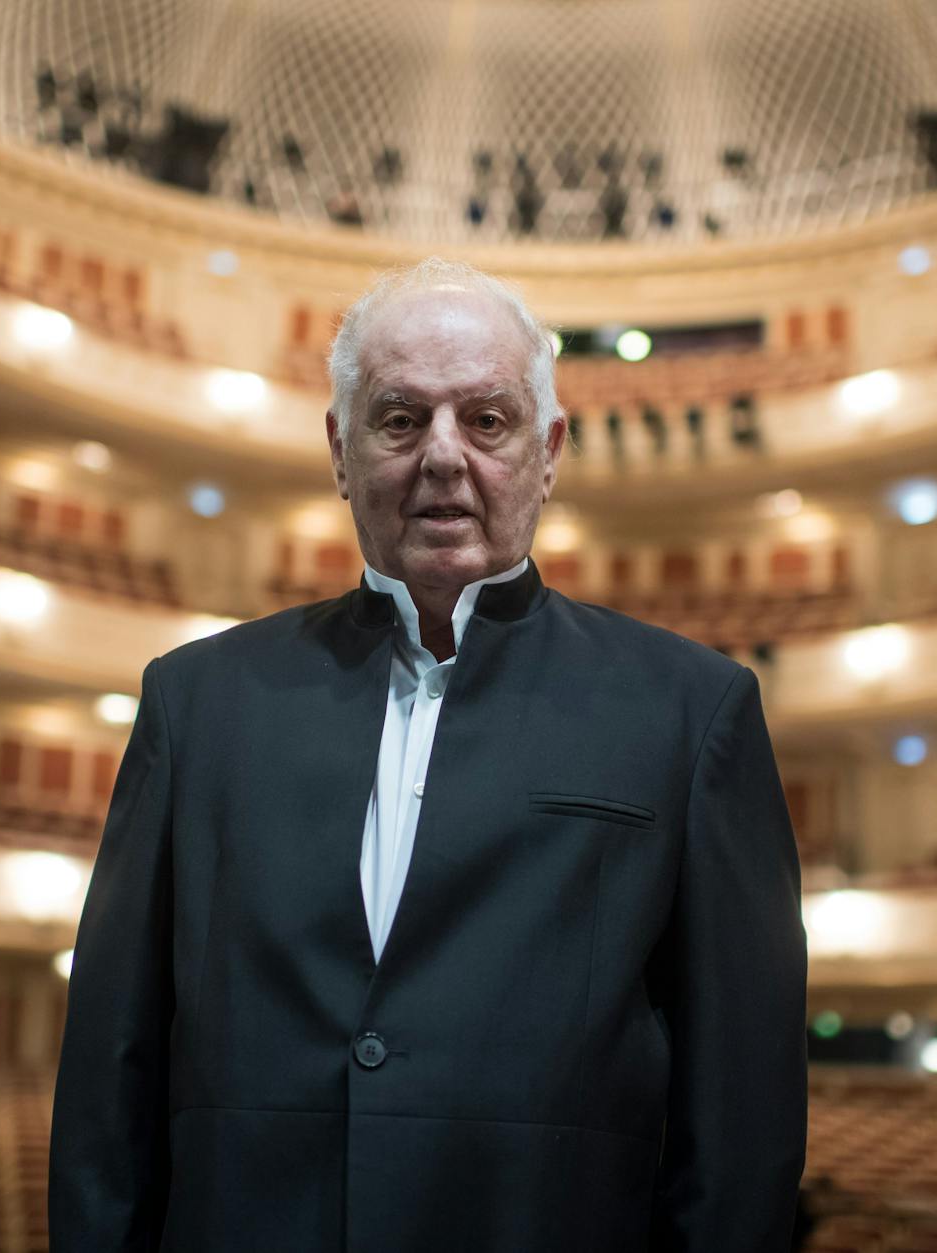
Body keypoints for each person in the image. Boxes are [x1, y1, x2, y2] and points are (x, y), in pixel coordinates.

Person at [50, 257, 807, 1251]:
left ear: (547, 450)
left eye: (485, 419)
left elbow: (739, 1130)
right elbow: (111, 1080)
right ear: (339, 448)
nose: (442, 456)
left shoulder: (692, 711)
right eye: (399, 418)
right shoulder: (194, 705)